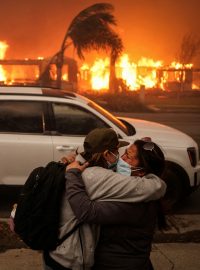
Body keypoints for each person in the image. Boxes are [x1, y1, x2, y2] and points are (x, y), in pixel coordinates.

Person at [43, 128, 166, 270]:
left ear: (142, 171)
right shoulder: (119, 184)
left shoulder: (137, 201)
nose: (122, 158)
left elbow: (87, 211)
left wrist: (72, 171)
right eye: (122, 153)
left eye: (128, 156)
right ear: (107, 154)